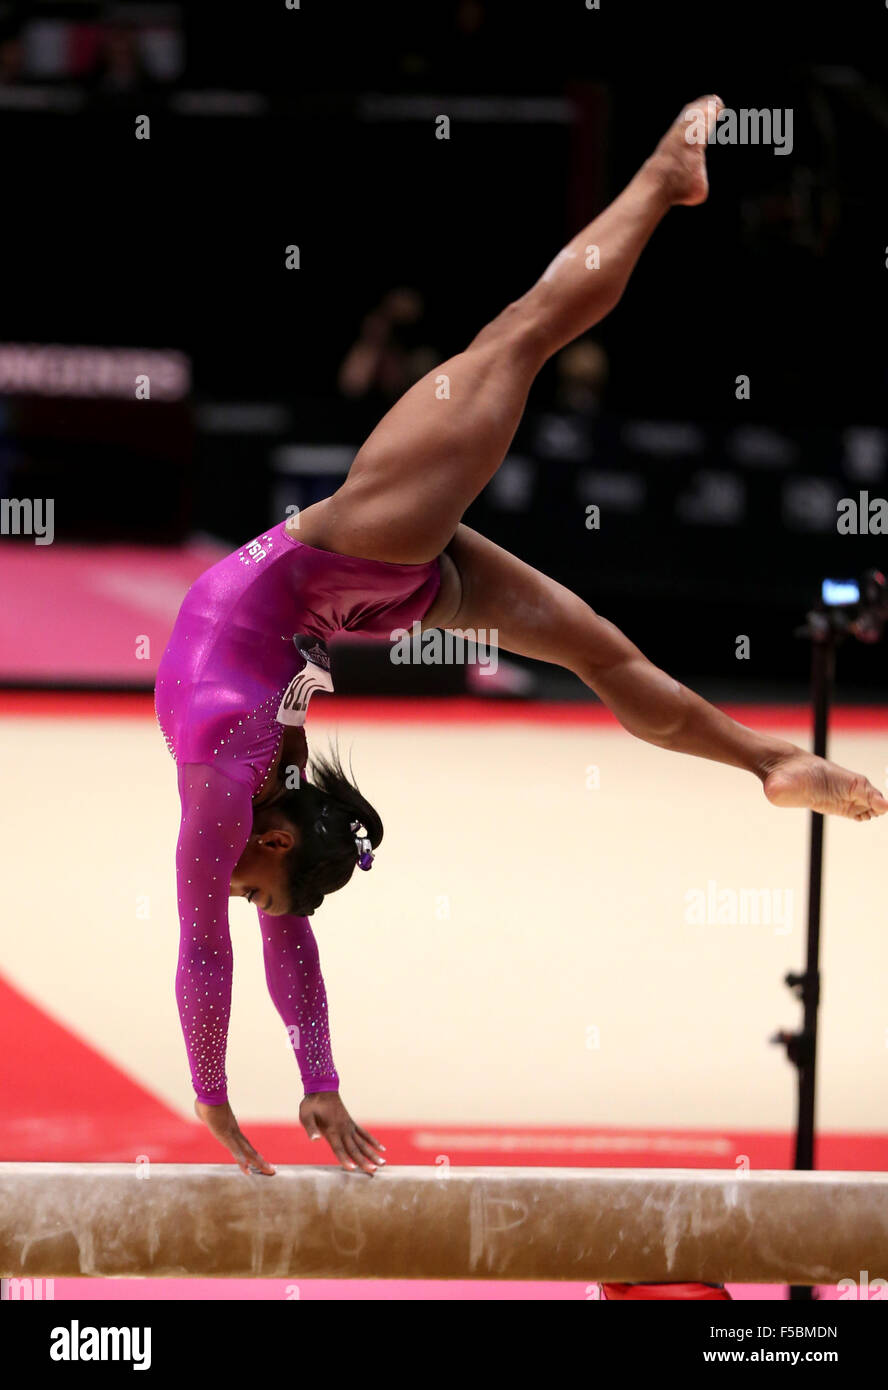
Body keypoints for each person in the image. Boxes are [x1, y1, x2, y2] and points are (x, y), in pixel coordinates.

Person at [156, 95, 887, 1178]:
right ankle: (766, 756)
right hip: (370, 575)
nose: (241, 891)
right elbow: (268, 927)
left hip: (356, 562)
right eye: (257, 880)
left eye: (259, 885)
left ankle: (659, 176)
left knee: (526, 356)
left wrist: (238, 1099)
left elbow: (213, 942)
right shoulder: (257, 779)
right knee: (528, 368)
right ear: (272, 838)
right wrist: (298, 1082)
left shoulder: (229, 767)